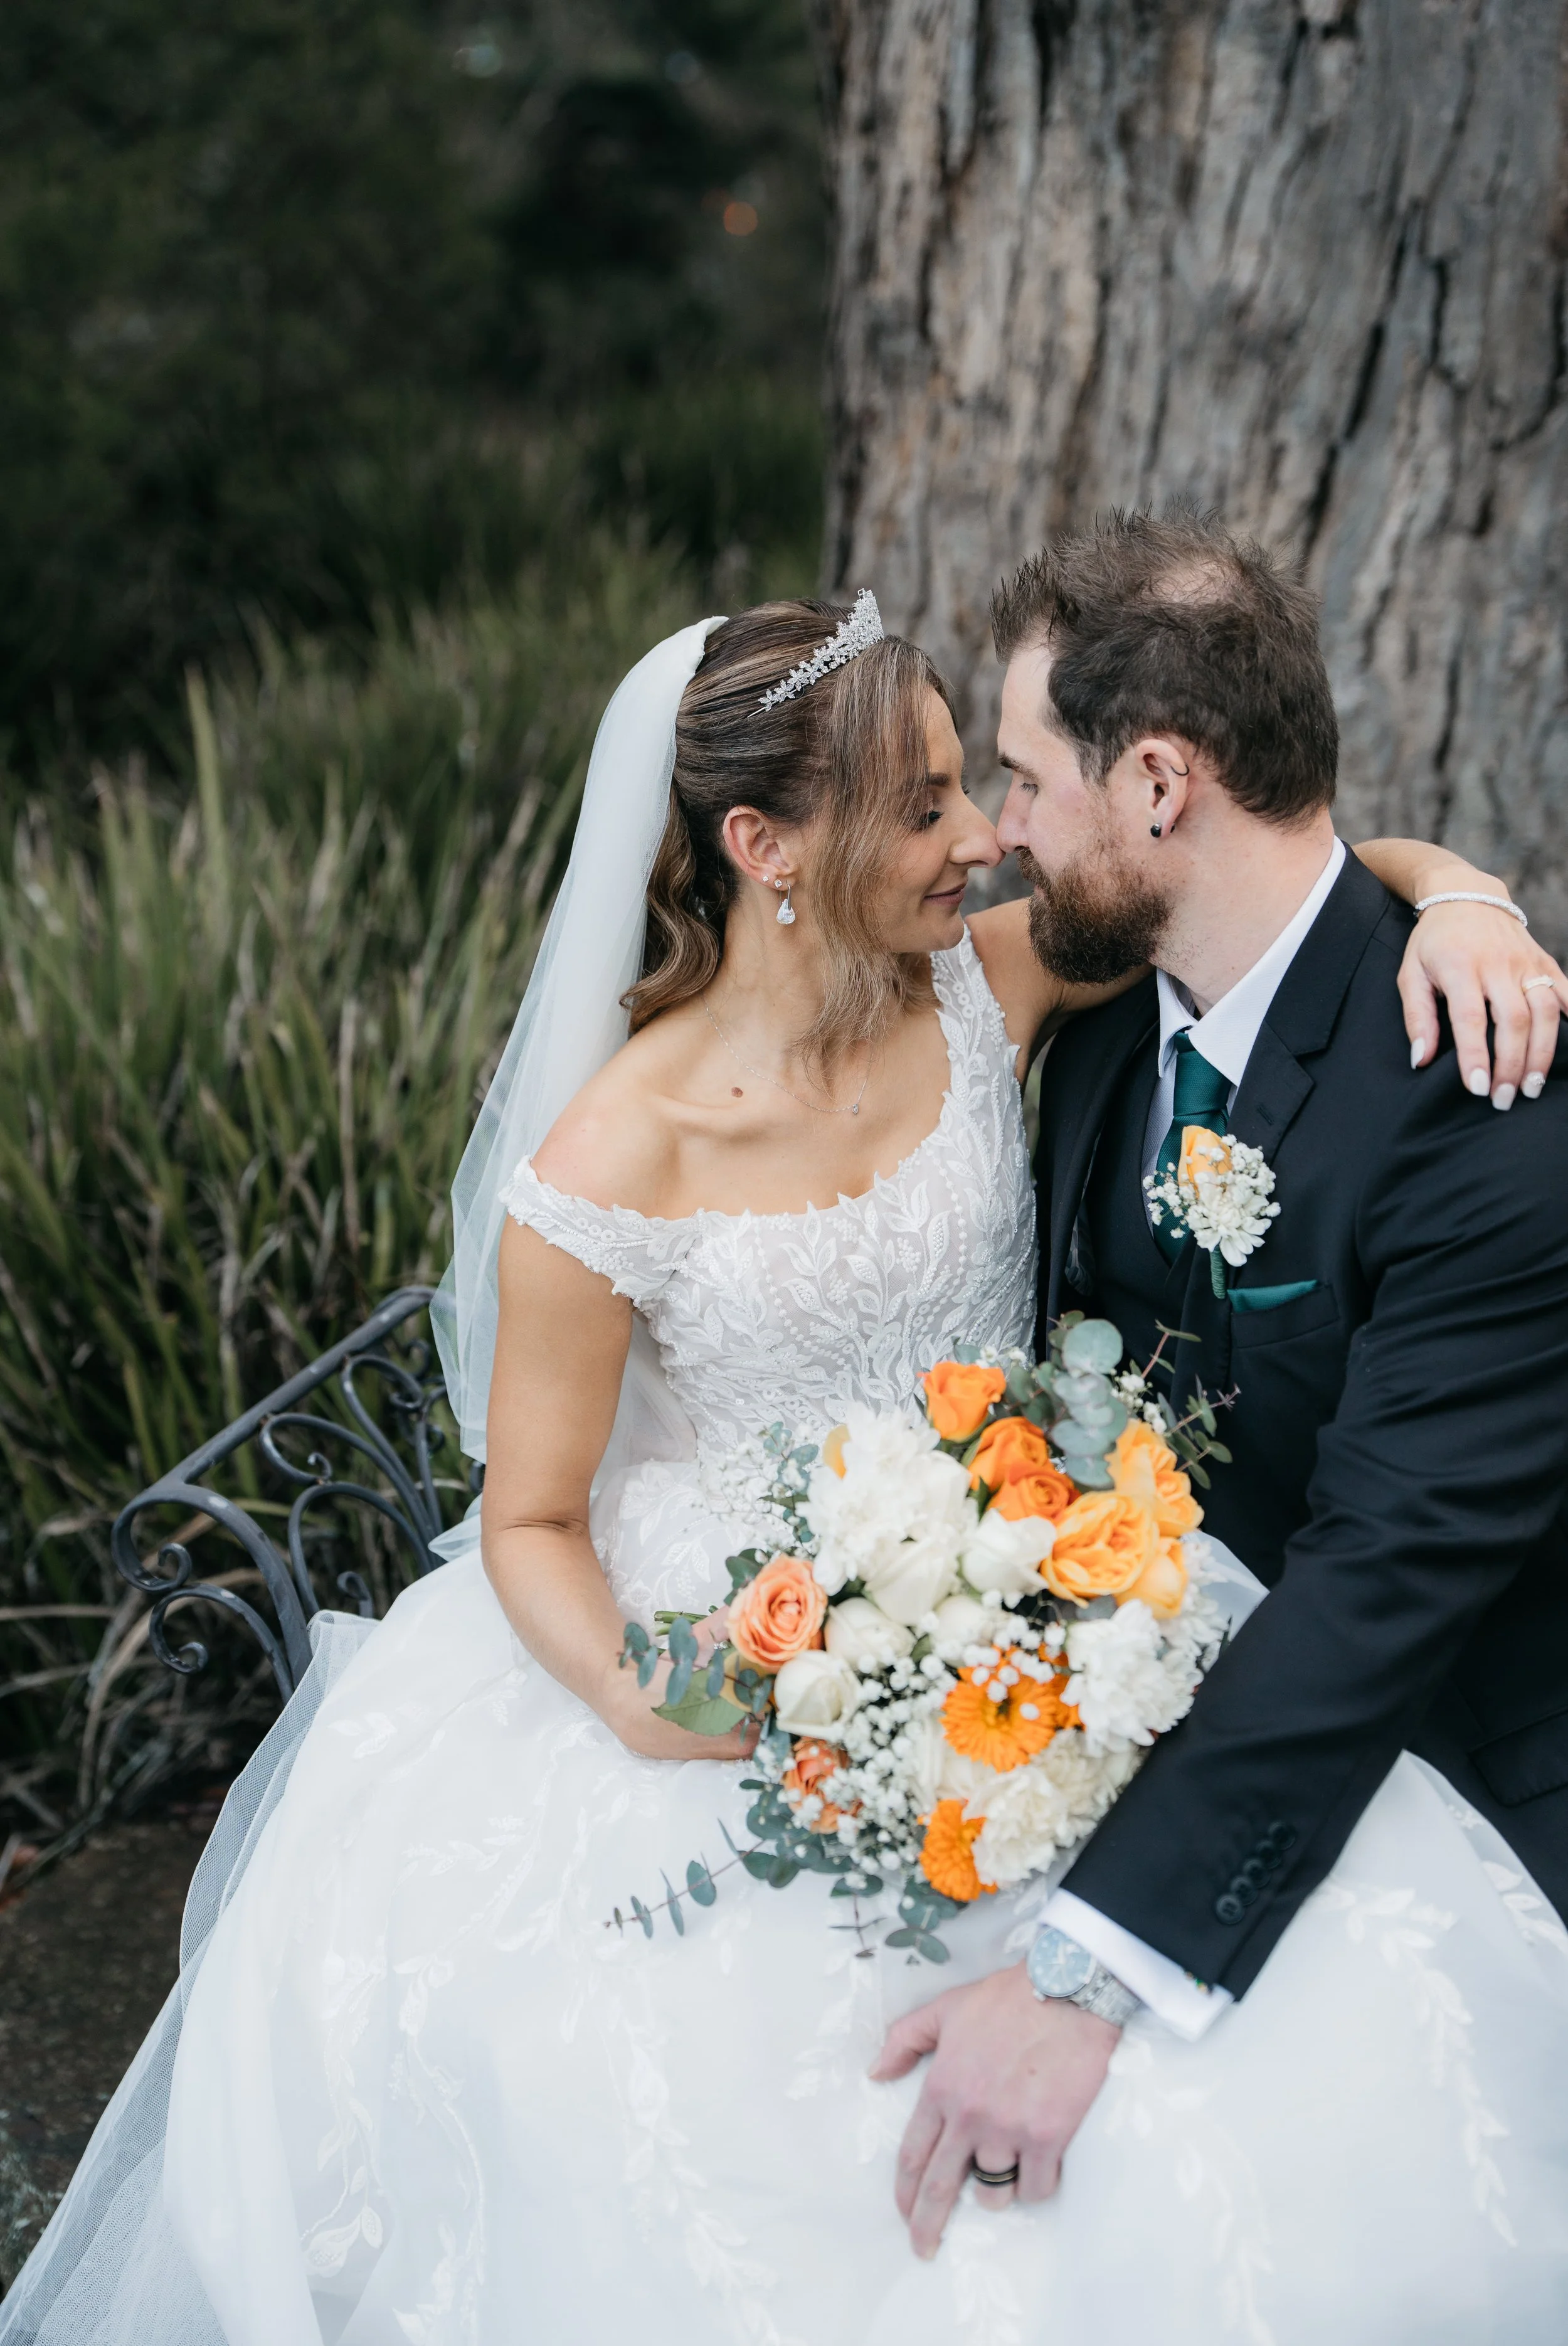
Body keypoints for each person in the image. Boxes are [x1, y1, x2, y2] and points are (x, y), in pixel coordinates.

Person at [4, 581, 1565, 2346]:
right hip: (731, 1662)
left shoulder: (987, 982)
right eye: (919, 803)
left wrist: (1466, 899)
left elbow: (1267, 876)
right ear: (760, 842)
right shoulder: (612, 1156)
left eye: (978, 783)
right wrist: (639, 1692)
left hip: (1038, 1593)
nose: (979, 836)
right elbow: (525, 1514)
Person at [878, 508, 1568, 2308]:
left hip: (1447, 1776)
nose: (1002, 828)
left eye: (1026, 775)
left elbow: (1381, 1580)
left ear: (1162, 781)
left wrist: (1084, 1973)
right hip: (1116, 1716)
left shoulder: (1487, 1117)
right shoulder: (1104, 1008)